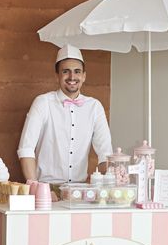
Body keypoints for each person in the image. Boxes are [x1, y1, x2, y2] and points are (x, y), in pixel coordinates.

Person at [17, 44, 113, 200]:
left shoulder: (94, 107)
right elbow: (26, 149)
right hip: (46, 190)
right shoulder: (43, 103)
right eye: (65, 71)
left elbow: (106, 155)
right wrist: (36, 190)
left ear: (84, 76)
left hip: (80, 192)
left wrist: (103, 182)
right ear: (57, 76)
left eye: (77, 71)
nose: (72, 77)